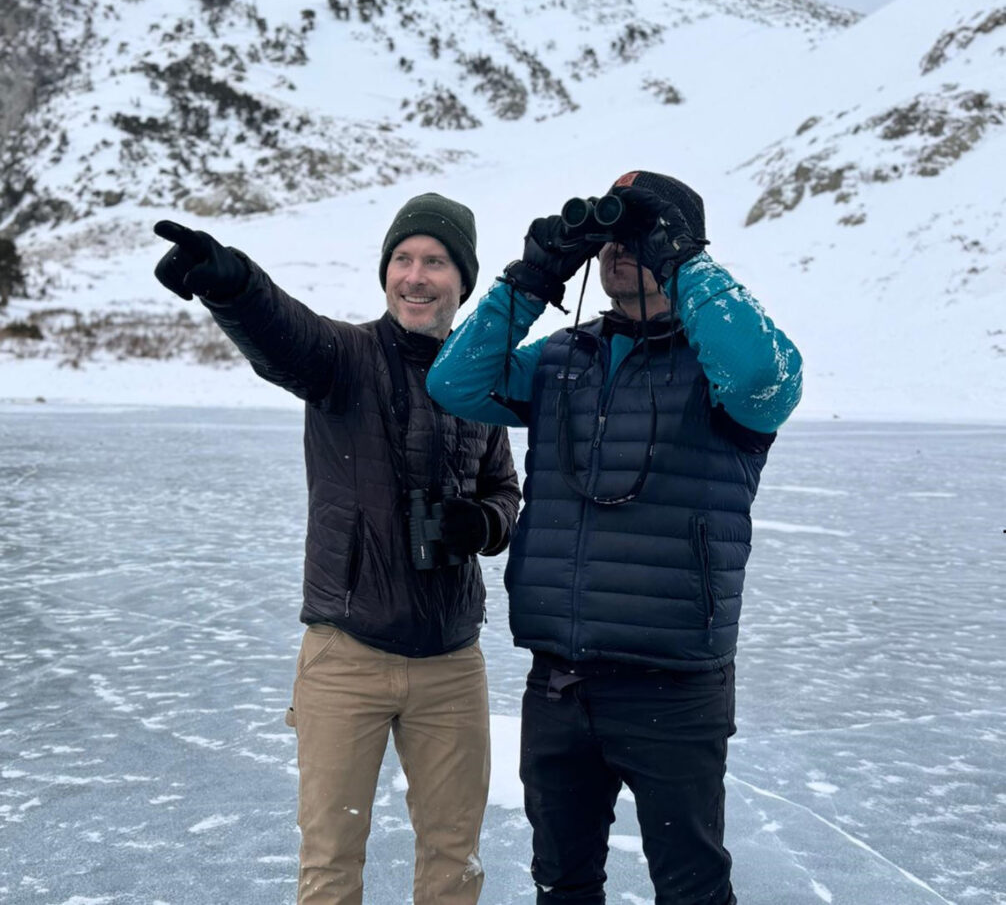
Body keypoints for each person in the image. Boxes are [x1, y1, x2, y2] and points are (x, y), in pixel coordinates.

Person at [426, 171, 803, 905]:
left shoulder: (724, 370)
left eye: (641, 236)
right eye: (611, 239)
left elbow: (766, 375)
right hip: (560, 682)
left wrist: (686, 263)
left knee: (691, 888)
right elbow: (456, 385)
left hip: (673, 688)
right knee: (562, 884)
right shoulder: (565, 358)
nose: (619, 251)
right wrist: (529, 279)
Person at [152, 193, 521, 905]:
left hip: (450, 663)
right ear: (386, 273)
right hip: (345, 654)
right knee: (329, 864)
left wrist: (481, 524)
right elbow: (282, 333)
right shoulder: (343, 359)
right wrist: (232, 284)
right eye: (403, 260)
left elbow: (505, 491)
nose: (416, 276)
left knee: (455, 861)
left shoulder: (481, 381)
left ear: (463, 281)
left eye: (436, 262)